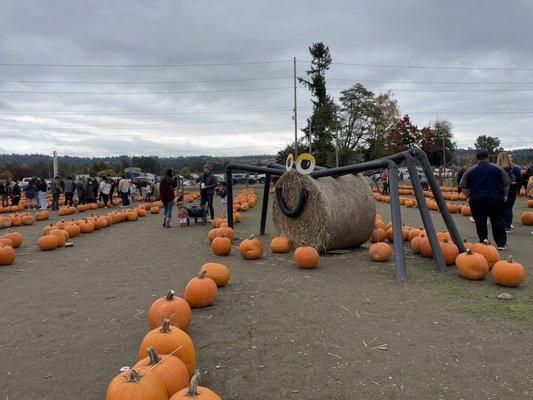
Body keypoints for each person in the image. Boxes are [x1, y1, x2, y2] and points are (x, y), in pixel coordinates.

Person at [459, 149, 511, 250]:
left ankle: (483, 242)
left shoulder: (470, 170)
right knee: (498, 221)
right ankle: (501, 244)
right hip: (495, 199)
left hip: (477, 200)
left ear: (477, 158)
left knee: (480, 222)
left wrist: (468, 197)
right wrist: (505, 195)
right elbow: (506, 184)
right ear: (488, 157)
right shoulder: (498, 168)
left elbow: (463, 186)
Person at [497, 152, 521, 233]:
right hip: (512, 190)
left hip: (501, 190)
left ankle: (502, 224)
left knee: (500, 209)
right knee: (509, 208)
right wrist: (518, 188)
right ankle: (508, 226)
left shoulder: (498, 168)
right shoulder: (516, 168)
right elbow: (520, 180)